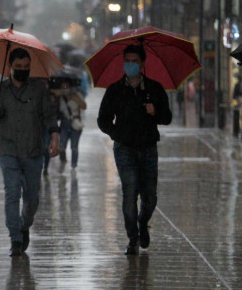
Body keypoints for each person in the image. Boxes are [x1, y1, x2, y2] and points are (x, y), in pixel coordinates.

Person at [0, 47, 60, 256]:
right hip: (8, 149)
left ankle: (24, 225)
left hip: (33, 150)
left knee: (32, 197)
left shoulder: (39, 89)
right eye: (18, 67)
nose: (22, 70)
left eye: (26, 67)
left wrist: (54, 136)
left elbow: (49, 116)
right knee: (12, 192)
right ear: (10, 67)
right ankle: (15, 238)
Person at [97, 44, 172, 255]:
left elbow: (167, 117)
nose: (131, 64)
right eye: (127, 60)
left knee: (150, 196)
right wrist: (116, 133)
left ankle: (142, 223)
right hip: (125, 149)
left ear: (142, 63)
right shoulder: (115, 90)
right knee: (129, 192)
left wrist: (154, 111)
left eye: (135, 61)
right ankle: (132, 238)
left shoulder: (154, 89)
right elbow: (103, 119)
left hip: (148, 148)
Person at [54, 78, 87, 169]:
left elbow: (84, 106)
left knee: (74, 147)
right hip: (64, 123)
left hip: (75, 123)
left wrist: (74, 98)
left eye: (67, 86)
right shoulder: (60, 97)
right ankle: (63, 160)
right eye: (63, 87)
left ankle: (73, 164)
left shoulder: (77, 95)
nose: (65, 88)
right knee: (62, 146)